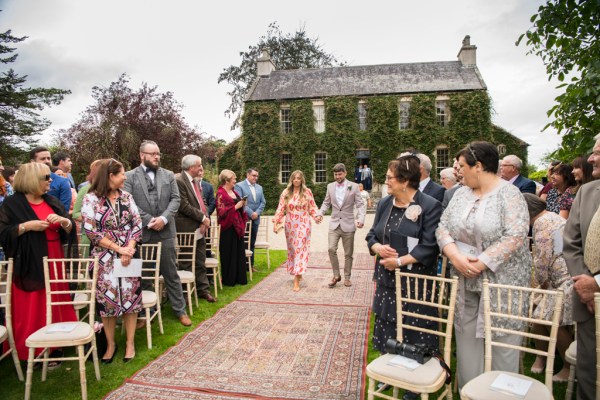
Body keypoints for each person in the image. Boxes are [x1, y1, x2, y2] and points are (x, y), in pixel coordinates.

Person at [436, 141, 531, 390]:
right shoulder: (460, 194)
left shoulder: (510, 194)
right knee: (466, 335)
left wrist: (482, 262)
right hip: (465, 278)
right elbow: (442, 227)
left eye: (463, 167)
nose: (458, 172)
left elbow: (515, 235)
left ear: (478, 166)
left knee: (502, 339)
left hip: (503, 281)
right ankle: (471, 390)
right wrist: (454, 255)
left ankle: (502, 392)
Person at [366, 155, 442, 360]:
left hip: (416, 282)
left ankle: (415, 379)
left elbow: (430, 246)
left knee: (415, 327)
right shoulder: (384, 204)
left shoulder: (430, 206)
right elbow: (372, 234)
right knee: (389, 326)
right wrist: (378, 247)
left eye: (390, 178)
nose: (386, 181)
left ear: (405, 181)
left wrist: (399, 262)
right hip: (387, 280)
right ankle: (391, 368)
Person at [0, 162, 77, 361]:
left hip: (54, 258)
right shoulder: (12, 204)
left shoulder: (51, 201)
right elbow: (3, 233)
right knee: (34, 303)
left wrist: (64, 222)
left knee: (57, 300)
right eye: (46, 177)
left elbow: (69, 227)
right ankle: (31, 348)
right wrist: (27, 226)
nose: (50, 180)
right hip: (29, 261)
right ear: (33, 180)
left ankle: (57, 344)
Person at [124, 140, 192, 327]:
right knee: (143, 274)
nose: (157, 157)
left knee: (171, 273)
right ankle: (148, 312)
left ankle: (180, 310)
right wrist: (148, 220)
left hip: (166, 231)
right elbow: (129, 202)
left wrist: (163, 219)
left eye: (158, 154)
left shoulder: (168, 175)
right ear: (142, 155)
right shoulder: (129, 177)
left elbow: (176, 199)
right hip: (142, 233)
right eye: (153, 154)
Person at [81, 159, 142, 363]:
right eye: (122, 173)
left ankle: (130, 343)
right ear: (110, 176)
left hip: (129, 255)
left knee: (130, 299)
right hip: (103, 257)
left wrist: (129, 248)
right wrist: (118, 248)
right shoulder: (91, 199)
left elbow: (137, 223)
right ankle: (110, 344)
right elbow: (91, 230)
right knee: (107, 302)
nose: (125, 177)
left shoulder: (127, 196)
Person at [563, 134, 600, 400]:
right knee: (589, 372)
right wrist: (585, 284)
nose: (591, 158)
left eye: (598, 152)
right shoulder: (587, 192)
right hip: (588, 302)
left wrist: (597, 285)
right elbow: (571, 242)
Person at [523, 193, 574, 382]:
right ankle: (541, 357)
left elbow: (542, 258)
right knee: (537, 313)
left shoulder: (542, 223)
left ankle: (569, 367)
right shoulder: (551, 216)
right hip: (559, 280)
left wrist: (539, 282)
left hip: (565, 280)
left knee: (552, 319)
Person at [316, 163, 365, 288]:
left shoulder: (353, 187)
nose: (337, 176)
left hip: (349, 224)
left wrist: (361, 218)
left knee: (348, 254)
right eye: (335, 174)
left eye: (340, 174)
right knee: (331, 249)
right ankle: (336, 275)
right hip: (334, 224)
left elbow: (360, 204)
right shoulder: (330, 186)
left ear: (345, 173)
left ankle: (347, 277)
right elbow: (326, 203)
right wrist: (320, 213)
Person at [174, 155, 215, 303]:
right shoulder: (179, 181)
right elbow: (183, 206)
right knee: (186, 261)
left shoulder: (196, 181)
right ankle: (185, 294)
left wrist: (205, 219)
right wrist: (203, 218)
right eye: (199, 165)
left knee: (200, 259)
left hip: (200, 227)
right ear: (191, 167)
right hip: (186, 227)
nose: (201, 168)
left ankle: (202, 289)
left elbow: (202, 201)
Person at [272, 170, 320, 292]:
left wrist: (316, 217)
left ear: (302, 179)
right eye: (294, 178)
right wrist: (276, 221)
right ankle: (299, 271)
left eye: (299, 178)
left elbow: (313, 207)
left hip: (304, 223)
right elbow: (280, 208)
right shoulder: (286, 192)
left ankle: (296, 280)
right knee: (293, 250)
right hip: (290, 224)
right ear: (292, 180)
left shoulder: (307, 192)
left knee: (300, 249)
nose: (296, 180)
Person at [216, 169, 248, 286]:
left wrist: (243, 204)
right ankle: (229, 279)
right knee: (229, 253)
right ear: (227, 180)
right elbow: (221, 212)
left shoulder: (235, 192)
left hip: (237, 227)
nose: (235, 181)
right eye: (233, 179)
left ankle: (239, 277)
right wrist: (235, 207)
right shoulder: (221, 193)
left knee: (238, 252)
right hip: (227, 228)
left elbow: (239, 207)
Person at [235, 168, 266, 271]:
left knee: (252, 242)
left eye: (257, 176)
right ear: (248, 175)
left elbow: (263, 202)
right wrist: (250, 213)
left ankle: (250, 266)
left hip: (255, 219)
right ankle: (242, 265)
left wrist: (256, 213)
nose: (255, 178)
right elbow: (240, 201)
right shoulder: (239, 186)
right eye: (253, 175)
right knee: (243, 242)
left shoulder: (259, 188)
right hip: (244, 218)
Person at [29, 146, 72, 212]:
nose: (47, 161)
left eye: (49, 158)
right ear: (32, 162)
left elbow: (64, 209)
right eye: (43, 159)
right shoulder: (27, 181)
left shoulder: (62, 181)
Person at [72, 160, 102, 243]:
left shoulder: (113, 190)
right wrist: (95, 219)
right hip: (90, 238)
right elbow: (76, 214)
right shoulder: (85, 189)